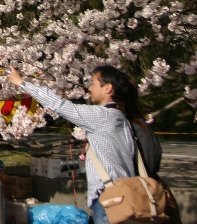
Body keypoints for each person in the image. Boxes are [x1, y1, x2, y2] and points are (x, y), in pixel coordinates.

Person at [8, 66, 139, 224]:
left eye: (93, 83)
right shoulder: (122, 120)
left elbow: (60, 105)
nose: (90, 88)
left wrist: (22, 83)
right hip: (125, 196)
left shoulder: (101, 116)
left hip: (108, 200)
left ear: (108, 88)